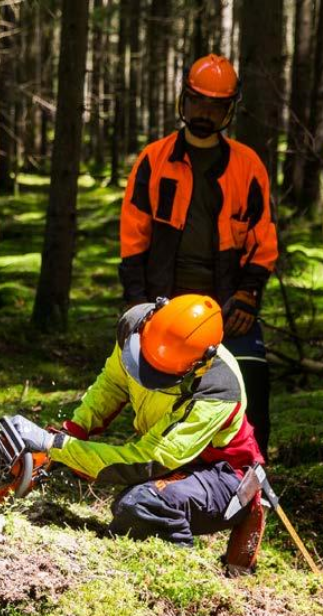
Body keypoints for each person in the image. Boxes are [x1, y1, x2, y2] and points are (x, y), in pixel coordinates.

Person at [5, 295, 264, 559]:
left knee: (140, 504)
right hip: (175, 459)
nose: (146, 375)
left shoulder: (218, 389)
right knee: (132, 505)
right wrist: (74, 430)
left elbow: (151, 459)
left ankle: (181, 567)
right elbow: (112, 384)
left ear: (200, 364)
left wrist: (55, 446)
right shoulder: (136, 329)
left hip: (223, 474)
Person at [119, 54, 277, 457]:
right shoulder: (154, 160)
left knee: (252, 386)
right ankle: (166, 466)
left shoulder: (247, 166)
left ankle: (248, 475)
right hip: (165, 303)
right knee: (161, 391)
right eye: (198, 102)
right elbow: (133, 236)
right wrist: (138, 302)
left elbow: (264, 239)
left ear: (230, 109)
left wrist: (248, 295)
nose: (205, 113)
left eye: (216, 105)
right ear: (183, 101)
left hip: (228, 306)